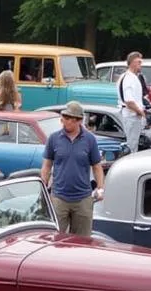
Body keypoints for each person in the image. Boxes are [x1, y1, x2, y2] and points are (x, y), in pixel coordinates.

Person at [40, 101, 104, 236]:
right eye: (65, 118)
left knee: (83, 241)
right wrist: (43, 188)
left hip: (83, 199)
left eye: (71, 119)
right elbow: (47, 166)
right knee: (56, 238)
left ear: (79, 121)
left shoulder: (90, 139)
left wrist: (100, 188)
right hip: (59, 197)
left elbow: (97, 167)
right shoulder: (54, 138)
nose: (67, 122)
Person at [118, 52, 147, 151]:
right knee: (131, 145)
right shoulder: (128, 78)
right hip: (131, 116)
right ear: (132, 63)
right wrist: (141, 112)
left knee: (133, 143)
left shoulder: (131, 77)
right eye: (138, 62)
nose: (140, 64)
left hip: (133, 115)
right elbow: (129, 100)